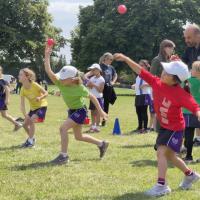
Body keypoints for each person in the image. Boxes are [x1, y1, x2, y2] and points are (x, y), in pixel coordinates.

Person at [114, 53, 200, 197]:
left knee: (161, 152)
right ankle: (190, 175)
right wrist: (126, 59)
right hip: (165, 127)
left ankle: (162, 185)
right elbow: (140, 71)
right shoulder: (156, 82)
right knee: (171, 156)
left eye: (166, 72)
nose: (162, 73)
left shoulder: (181, 94)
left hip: (175, 129)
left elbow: (195, 107)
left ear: (175, 80)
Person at [44, 44, 109, 165]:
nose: (61, 79)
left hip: (80, 111)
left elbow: (93, 97)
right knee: (78, 136)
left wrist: (100, 111)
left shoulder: (80, 87)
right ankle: (102, 144)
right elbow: (48, 70)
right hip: (72, 111)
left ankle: (63, 156)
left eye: (64, 78)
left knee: (63, 128)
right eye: (61, 77)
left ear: (73, 78)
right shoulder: (60, 82)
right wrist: (47, 55)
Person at [19, 68, 48, 148]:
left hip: (42, 106)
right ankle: (32, 138)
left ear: (27, 77)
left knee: (32, 120)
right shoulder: (22, 89)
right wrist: (25, 115)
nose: (19, 76)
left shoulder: (34, 84)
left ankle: (30, 142)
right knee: (24, 125)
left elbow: (46, 93)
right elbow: (22, 105)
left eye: (21, 75)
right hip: (33, 108)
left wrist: (40, 98)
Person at [182, 23, 200, 146]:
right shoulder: (189, 50)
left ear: (198, 35)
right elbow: (183, 65)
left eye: (189, 37)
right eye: (185, 38)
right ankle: (196, 138)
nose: (186, 40)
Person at [183, 61, 200, 163]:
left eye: (192, 69)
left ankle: (189, 156)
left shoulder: (188, 80)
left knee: (189, 134)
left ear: (197, 71)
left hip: (189, 111)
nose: (190, 70)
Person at [131, 60, 152, 133]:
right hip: (138, 95)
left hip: (145, 94)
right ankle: (140, 127)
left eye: (142, 65)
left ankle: (145, 128)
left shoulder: (148, 74)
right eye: (139, 65)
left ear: (146, 66)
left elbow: (153, 83)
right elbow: (138, 83)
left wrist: (145, 85)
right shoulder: (139, 75)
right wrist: (134, 85)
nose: (140, 66)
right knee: (138, 111)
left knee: (143, 111)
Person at [0, 66, 22, 131]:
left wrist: (7, 99)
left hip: (1, 100)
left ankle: (17, 123)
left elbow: (7, 90)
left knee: (4, 115)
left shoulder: (2, 81)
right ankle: (17, 123)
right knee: (4, 115)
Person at [99, 52, 117, 126]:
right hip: (102, 87)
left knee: (112, 99)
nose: (111, 61)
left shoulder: (111, 67)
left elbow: (115, 75)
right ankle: (101, 121)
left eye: (112, 60)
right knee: (101, 104)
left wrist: (113, 81)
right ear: (105, 59)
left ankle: (103, 119)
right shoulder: (100, 66)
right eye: (110, 59)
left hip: (109, 87)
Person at [86, 63, 105, 133]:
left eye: (94, 70)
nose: (92, 71)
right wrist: (89, 85)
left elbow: (100, 90)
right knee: (92, 112)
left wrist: (93, 84)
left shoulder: (101, 79)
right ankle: (93, 126)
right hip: (92, 97)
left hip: (98, 98)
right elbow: (88, 85)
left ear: (98, 70)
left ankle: (97, 127)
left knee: (97, 113)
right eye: (92, 70)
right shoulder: (92, 78)